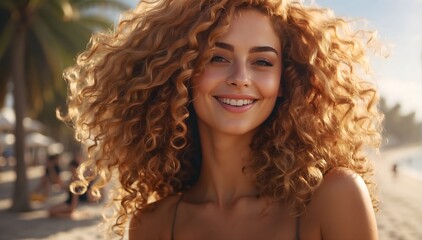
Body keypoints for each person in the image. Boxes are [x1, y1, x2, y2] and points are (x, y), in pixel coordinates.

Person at [61, 0, 383, 239]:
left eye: (261, 61)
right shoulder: (152, 224)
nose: (241, 77)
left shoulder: (334, 198)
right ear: (181, 72)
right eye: (218, 57)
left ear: (285, 82)